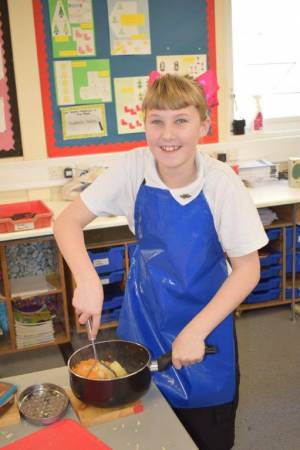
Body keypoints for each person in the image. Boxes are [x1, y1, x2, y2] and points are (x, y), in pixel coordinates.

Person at [54, 70, 268, 450]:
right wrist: (86, 279)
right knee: (145, 431)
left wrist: (196, 331)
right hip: (146, 320)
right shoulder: (134, 168)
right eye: (158, 122)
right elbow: (68, 221)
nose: (168, 135)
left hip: (206, 324)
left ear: (203, 124)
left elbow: (248, 268)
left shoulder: (220, 183)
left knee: (206, 435)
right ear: (145, 124)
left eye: (181, 120)